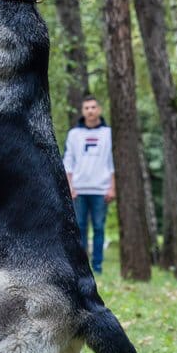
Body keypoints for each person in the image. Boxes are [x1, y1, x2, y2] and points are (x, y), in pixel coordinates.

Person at [63, 95, 116, 273]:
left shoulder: (108, 133)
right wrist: (69, 187)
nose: (90, 111)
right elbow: (68, 162)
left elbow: (112, 161)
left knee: (99, 228)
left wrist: (112, 187)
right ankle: (82, 267)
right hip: (79, 190)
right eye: (87, 108)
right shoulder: (74, 134)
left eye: (93, 107)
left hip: (101, 189)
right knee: (80, 228)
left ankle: (98, 266)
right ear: (82, 111)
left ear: (99, 110)